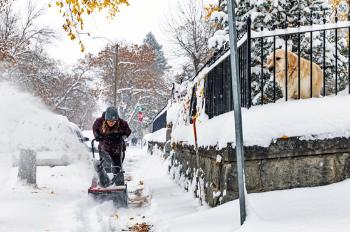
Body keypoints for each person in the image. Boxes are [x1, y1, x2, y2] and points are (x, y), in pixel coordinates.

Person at [92, 106, 131, 185]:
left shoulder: (122, 123)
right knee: (106, 165)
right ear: (105, 119)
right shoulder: (99, 122)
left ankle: (119, 184)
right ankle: (105, 183)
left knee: (117, 167)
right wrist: (97, 136)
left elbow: (128, 132)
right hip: (104, 147)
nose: (111, 123)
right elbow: (95, 129)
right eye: (109, 121)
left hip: (117, 148)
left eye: (113, 121)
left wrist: (120, 136)